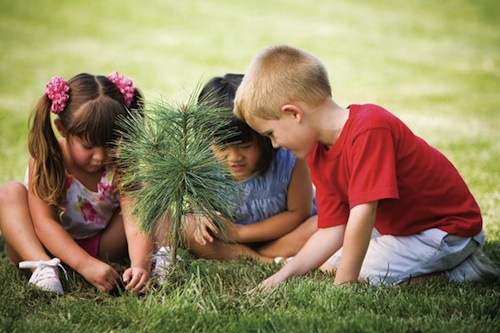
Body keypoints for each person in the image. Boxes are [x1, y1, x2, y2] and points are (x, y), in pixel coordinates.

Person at [233, 45, 500, 288]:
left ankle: (464, 269)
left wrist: (345, 283)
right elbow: (332, 228)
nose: (276, 145)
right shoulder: (317, 152)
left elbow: (362, 213)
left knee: (363, 276)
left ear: (294, 113)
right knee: (326, 266)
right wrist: (284, 274)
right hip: (398, 228)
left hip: (443, 230)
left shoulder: (370, 127)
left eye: (271, 133)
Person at [0, 72, 157, 294]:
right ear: (63, 130)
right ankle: (42, 268)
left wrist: (141, 264)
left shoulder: (121, 162)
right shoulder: (48, 159)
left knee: (149, 195)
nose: (101, 156)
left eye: (111, 143)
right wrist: (84, 265)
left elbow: (134, 216)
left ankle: (156, 258)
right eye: (88, 146)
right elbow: (44, 223)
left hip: (100, 247)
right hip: (43, 247)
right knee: (8, 192)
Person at [184, 73, 317, 263]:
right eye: (222, 148)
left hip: (284, 236)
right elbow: (196, 204)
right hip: (227, 241)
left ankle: (260, 254)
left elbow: (298, 213)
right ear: (206, 140)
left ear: (264, 135)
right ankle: (264, 260)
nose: (235, 157)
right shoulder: (200, 161)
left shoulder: (289, 157)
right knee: (184, 226)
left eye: (246, 146)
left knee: (322, 225)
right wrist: (201, 214)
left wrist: (238, 233)